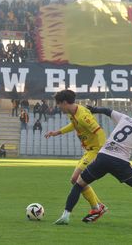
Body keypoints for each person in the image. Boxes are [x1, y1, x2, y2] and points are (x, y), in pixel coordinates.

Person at [54, 106, 132, 226]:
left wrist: (94, 109)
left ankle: (65, 216)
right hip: (120, 162)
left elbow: (107, 111)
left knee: (79, 184)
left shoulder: (126, 118)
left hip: (103, 157)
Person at [44, 90, 107, 221]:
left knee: (76, 178)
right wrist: (57, 132)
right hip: (89, 150)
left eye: (59, 104)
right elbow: (74, 125)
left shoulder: (83, 115)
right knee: (75, 180)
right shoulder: (72, 113)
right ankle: (98, 206)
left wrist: (101, 153)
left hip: (95, 150)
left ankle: (97, 207)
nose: (58, 107)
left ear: (65, 103)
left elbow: (100, 132)